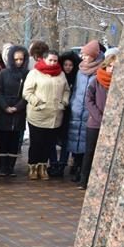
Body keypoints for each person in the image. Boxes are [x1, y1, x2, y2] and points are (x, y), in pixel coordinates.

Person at [22, 50, 71, 180]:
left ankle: (43, 166)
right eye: (50, 60)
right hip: (38, 114)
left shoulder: (61, 74)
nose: (53, 63)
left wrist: (64, 102)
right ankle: (33, 166)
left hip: (55, 115)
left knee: (49, 144)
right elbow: (27, 92)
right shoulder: (34, 73)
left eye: (55, 60)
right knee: (36, 143)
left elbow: (66, 90)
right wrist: (37, 102)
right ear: (44, 60)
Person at [65, 40, 103, 183]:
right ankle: (75, 166)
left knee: (86, 143)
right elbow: (76, 89)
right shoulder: (80, 71)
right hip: (77, 109)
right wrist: (73, 103)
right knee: (75, 139)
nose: (83, 57)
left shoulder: (99, 71)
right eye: (83, 54)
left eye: (86, 55)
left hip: (90, 111)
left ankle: (83, 170)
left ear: (93, 55)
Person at [81, 50, 116, 191]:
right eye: (110, 66)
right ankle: (84, 180)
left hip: (112, 125)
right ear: (105, 66)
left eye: (115, 67)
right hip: (95, 123)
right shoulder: (96, 80)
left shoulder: (119, 83)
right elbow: (89, 100)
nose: (112, 69)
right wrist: (99, 117)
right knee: (90, 152)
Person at [0, 46, 29, 176]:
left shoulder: (27, 74)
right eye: (16, 59)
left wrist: (17, 107)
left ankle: (11, 166)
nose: (19, 62)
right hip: (3, 111)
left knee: (14, 140)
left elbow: (27, 94)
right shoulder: (4, 73)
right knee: (3, 139)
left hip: (18, 111)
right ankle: (3, 167)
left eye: (21, 59)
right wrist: (5, 106)